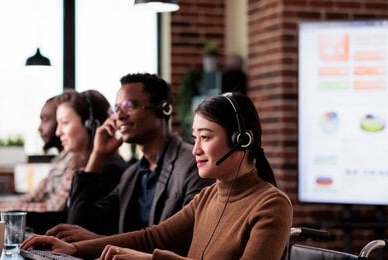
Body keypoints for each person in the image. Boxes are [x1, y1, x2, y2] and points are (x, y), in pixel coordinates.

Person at [21, 92, 293, 259]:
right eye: (194, 137)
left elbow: (152, 249)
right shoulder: (208, 196)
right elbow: (153, 238)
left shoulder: (271, 204)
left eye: (206, 137)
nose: (196, 149)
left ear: (241, 140)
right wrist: (76, 249)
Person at [46, 73, 213, 241]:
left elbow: (181, 239)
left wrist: (104, 243)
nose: (119, 116)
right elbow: (78, 226)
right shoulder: (131, 176)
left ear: (164, 108)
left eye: (128, 106)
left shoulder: (193, 165)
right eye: (116, 109)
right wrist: (97, 155)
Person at [0, 90, 127, 229]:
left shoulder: (110, 169)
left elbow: (75, 224)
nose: (58, 132)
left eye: (65, 123)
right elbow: (68, 217)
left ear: (91, 125)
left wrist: (5, 216)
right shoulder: (80, 162)